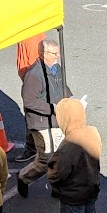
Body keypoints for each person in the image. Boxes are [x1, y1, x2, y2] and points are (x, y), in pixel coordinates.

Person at [47, 98, 103, 213]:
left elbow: (58, 172)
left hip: (73, 194)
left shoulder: (69, 144)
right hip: (91, 188)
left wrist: (52, 182)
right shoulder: (92, 132)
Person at [18, 39, 72, 198]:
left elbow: (64, 88)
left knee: (60, 155)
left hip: (56, 119)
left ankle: (57, 188)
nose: (58, 56)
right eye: (54, 53)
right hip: (41, 123)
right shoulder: (34, 75)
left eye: (58, 52)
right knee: (46, 159)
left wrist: (72, 101)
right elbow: (29, 101)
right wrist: (53, 108)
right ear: (43, 54)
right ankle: (23, 177)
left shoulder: (56, 68)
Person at [15, 32, 46, 163]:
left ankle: (33, 148)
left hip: (32, 81)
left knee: (32, 114)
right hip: (32, 79)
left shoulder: (30, 37)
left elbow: (30, 63)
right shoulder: (28, 31)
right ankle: (35, 146)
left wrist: (28, 83)